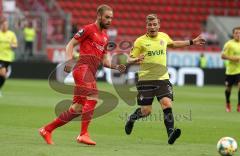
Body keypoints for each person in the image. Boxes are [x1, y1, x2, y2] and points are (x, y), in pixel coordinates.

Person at [39, 4, 126, 145]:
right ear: (99, 16)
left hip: (90, 72)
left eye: (111, 18)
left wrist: (116, 66)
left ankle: (46, 130)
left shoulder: (105, 36)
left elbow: (105, 61)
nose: (110, 20)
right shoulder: (88, 29)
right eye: (107, 17)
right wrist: (68, 62)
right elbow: (70, 45)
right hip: (82, 68)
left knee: (77, 109)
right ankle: (83, 134)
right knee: (93, 97)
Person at [125, 14, 205, 144]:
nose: (152, 27)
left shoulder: (163, 36)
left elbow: (173, 44)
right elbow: (129, 59)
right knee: (146, 111)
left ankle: (170, 133)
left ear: (159, 25)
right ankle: (132, 118)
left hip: (162, 78)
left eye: (154, 24)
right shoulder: (140, 41)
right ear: (146, 26)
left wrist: (192, 42)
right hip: (145, 79)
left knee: (166, 103)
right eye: (150, 25)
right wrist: (135, 59)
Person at [221, 26, 240, 112]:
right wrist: (233, 58)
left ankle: (239, 104)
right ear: (233, 34)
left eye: (239, 33)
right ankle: (228, 102)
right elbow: (223, 56)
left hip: (239, 70)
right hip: (230, 71)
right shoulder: (229, 44)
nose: (238, 35)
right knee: (228, 89)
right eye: (236, 33)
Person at [0, 17, 18, 97]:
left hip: (8, 58)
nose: (5, 26)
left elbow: (15, 45)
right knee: (3, 74)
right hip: (0, 57)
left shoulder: (11, 34)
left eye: (6, 24)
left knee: (3, 76)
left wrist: (12, 46)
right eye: (4, 24)